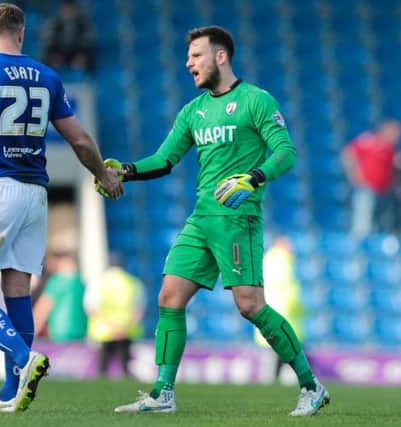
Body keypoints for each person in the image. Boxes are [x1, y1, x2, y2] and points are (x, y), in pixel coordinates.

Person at [100, 26, 329, 416]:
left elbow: (286, 152)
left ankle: (311, 386)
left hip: (239, 219)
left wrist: (254, 177)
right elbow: (165, 159)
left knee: (250, 306)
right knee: (169, 297)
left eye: (196, 56)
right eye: (188, 57)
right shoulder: (193, 111)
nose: (188, 63)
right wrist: (126, 170)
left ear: (220, 57)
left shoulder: (256, 100)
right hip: (200, 220)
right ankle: (162, 393)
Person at [0, 3, 122, 414]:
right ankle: (11, 393)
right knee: (17, 292)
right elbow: (80, 140)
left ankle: (22, 357)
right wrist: (102, 175)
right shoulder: (48, 76)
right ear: (22, 32)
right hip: (35, 194)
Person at [84, 254, 145, 378]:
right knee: (126, 368)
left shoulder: (99, 282)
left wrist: (110, 328)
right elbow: (139, 309)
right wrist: (123, 329)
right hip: (126, 331)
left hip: (104, 332)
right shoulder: (133, 282)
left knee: (102, 368)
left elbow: (91, 307)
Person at [254, 236, 305, 383]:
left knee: (275, 353)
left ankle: (270, 382)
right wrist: (301, 309)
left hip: (266, 312)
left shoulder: (266, 261)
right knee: (284, 353)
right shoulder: (283, 263)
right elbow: (290, 292)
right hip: (284, 314)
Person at [341, 120, 401, 237]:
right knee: (363, 221)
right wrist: (353, 173)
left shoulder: (390, 150)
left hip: (384, 192)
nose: (396, 136)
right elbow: (348, 153)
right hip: (366, 188)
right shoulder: (369, 141)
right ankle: (359, 250)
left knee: (381, 222)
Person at [33, 251, 88, 342]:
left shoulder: (57, 281)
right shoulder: (80, 282)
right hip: (80, 334)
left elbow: (42, 310)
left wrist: (29, 336)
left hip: (61, 334)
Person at [41, 0, 95, 72]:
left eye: (70, 9)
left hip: (78, 51)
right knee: (52, 58)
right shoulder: (54, 22)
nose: (68, 11)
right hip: (59, 51)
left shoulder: (83, 22)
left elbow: (89, 39)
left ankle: (82, 79)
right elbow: (47, 39)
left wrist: (80, 52)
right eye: (65, 9)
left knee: (83, 59)